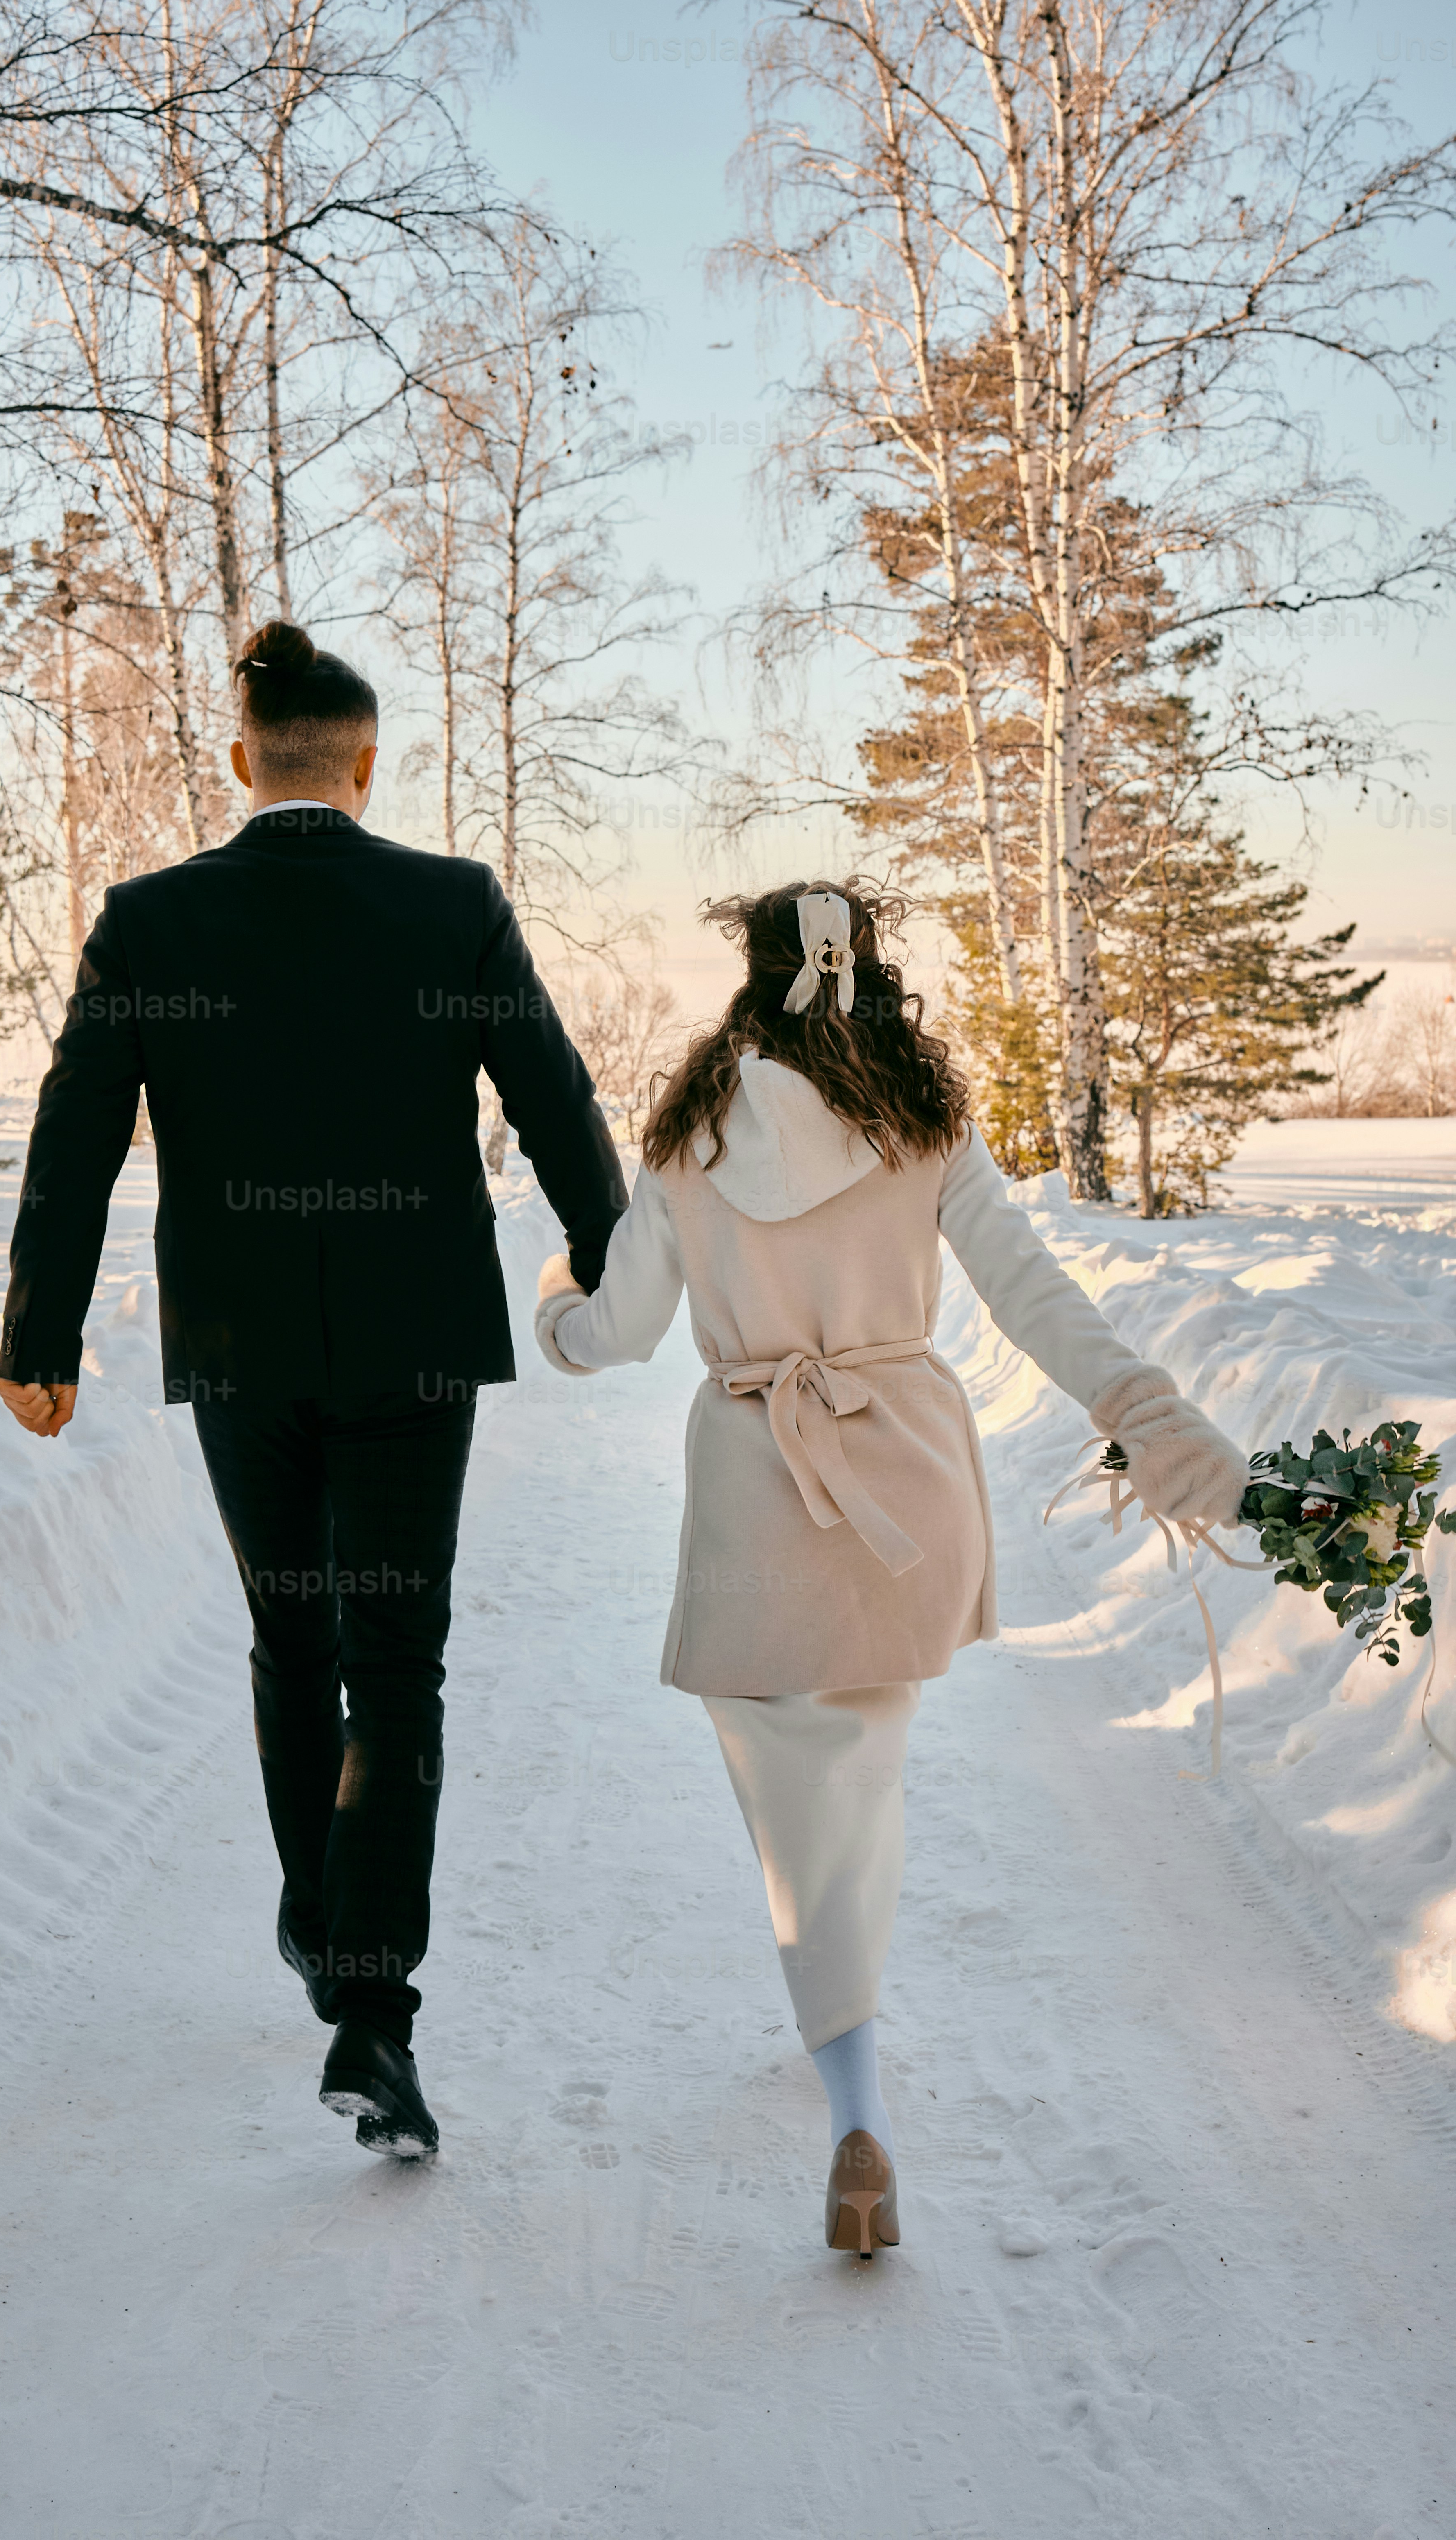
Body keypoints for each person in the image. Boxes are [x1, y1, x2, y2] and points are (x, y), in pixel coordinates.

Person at [533, 881, 1244, 2256]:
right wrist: (1157, 1425)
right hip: (904, 1490)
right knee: (864, 1773)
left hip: (758, 1500)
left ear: (750, 984)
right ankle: (848, 2050)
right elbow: (1038, 1301)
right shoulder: (925, 1131)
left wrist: (562, 1314)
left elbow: (617, 1335)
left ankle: (852, 2093)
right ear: (874, 978)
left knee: (792, 1794)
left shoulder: (687, 1141)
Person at [0, 620, 626, 2159]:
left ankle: (320, 1929)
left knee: (294, 1632)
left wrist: (42, 1332)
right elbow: (557, 1100)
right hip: (415, 1346)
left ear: (239, 764)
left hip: (242, 1348)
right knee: (397, 1656)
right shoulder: (452, 904)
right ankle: (373, 2004)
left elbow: (74, 1134)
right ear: (362, 766)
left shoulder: (149, 922)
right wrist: (616, 1262)